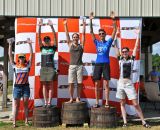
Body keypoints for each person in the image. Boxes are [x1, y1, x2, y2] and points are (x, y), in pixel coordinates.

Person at [115, 28, 151, 128]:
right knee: (122, 103)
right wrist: (117, 35)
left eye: (126, 51)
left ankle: (143, 122)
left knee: (135, 103)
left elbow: (135, 47)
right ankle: (125, 122)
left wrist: (137, 35)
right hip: (121, 83)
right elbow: (116, 47)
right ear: (122, 53)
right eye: (123, 52)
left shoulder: (132, 59)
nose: (124, 53)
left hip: (129, 83)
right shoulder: (120, 59)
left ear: (128, 52)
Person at [90, 11, 117, 108]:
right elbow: (91, 32)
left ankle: (107, 102)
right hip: (98, 64)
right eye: (100, 33)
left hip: (106, 64)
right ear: (99, 35)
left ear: (105, 35)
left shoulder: (108, 42)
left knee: (106, 84)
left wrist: (113, 20)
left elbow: (114, 31)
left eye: (103, 33)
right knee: (97, 84)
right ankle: (97, 102)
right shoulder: (97, 42)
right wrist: (91, 21)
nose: (101, 34)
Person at [8, 38, 33, 128]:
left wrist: (30, 44)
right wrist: (10, 45)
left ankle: (26, 121)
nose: (21, 58)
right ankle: (14, 123)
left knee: (26, 105)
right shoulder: (15, 65)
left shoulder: (28, 65)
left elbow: (31, 55)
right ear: (18, 59)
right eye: (20, 57)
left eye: (22, 57)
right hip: (17, 87)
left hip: (26, 87)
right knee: (16, 105)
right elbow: (10, 56)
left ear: (24, 58)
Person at [63, 18, 86, 103]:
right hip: (72, 66)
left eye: (77, 37)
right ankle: (71, 98)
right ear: (72, 38)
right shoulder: (70, 44)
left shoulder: (81, 45)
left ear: (78, 38)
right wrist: (65, 25)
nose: (75, 38)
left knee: (79, 83)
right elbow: (67, 35)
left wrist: (84, 26)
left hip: (79, 66)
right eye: (74, 37)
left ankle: (78, 98)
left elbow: (83, 35)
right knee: (71, 83)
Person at [38, 19, 58, 108]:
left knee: (50, 86)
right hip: (43, 68)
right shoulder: (42, 48)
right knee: (44, 86)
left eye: (47, 40)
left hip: (50, 68)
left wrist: (52, 26)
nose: (46, 41)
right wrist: (39, 26)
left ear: (50, 41)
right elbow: (38, 37)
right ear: (43, 42)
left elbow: (55, 37)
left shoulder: (53, 48)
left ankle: (49, 102)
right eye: (45, 40)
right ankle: (45, 102)